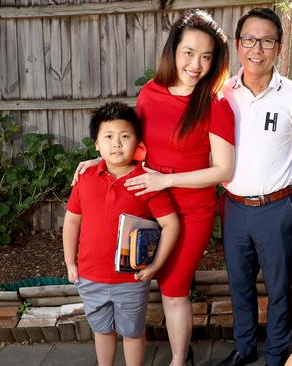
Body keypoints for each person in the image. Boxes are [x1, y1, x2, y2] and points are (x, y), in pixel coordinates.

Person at [72, 9, 235, 366]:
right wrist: (98, 161)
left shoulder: (214, 103)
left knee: (174, 289)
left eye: (206, 56)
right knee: (144, 282)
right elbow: (130, 146)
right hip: (146, 208)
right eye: (188, 52)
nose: (196, 64)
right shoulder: (150, 94)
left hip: (191, 211)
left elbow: (225, 169)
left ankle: (178, 360)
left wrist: (168, 180)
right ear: (173, 51)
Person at [216, 8, 292, 366]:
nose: (256, 49)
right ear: (237, 44)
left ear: (278, 47)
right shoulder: (223, 92)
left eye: (266, 41)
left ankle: (277, 353)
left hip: (276, 209)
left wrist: (280, 184)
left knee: (278, 288)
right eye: (249, 40)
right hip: (233, 207)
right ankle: (244, 348)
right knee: (239, 285)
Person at [63, 102, 180, 366]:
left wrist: (156, 265)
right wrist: (71, 262)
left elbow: (171, 224)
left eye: (125, 136)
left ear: (137, 142)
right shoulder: (86, 178)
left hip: (131, 277)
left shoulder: (146, 181)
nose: (116, 144)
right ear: (96, 144)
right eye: (108, 137)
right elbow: (71, 222)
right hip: (90, 275)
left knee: (132, 330)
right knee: (102, 329)